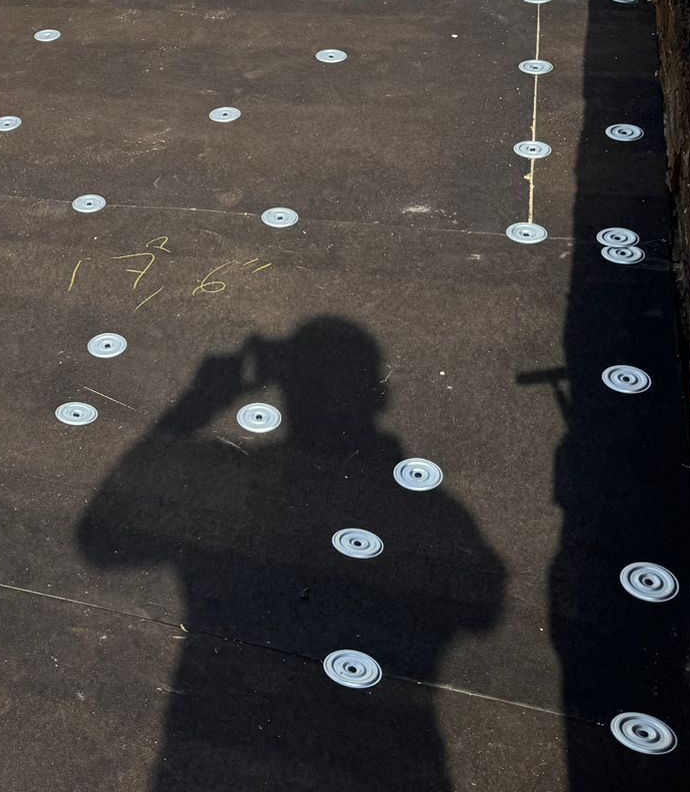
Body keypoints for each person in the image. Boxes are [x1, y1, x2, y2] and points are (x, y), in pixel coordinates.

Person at [76, 319, 504, 791]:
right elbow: (483, 606)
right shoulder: (432, 513)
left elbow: (100, 537)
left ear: (286, 390)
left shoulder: (238, 483)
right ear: (377, 396)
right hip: (379, 762)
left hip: (223, 755)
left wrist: (199, 401)